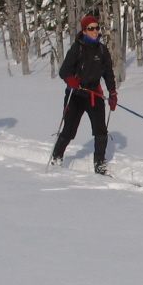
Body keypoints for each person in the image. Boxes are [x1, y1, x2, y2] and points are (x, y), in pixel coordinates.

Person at [51, 15, 117, 175]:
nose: (95, 31)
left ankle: (100, 165)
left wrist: (112, 93)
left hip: (95, 94)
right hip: (76, 95)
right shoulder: (77, 48)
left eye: (96, 28)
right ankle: (57, 157)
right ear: (84, 30)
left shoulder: (102, 49)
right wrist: (70, 80)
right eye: (91, 28)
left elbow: (108, 72)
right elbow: (64, 71)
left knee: (101, 131)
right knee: (69, 130)